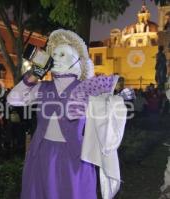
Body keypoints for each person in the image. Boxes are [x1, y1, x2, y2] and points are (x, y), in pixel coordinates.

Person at [7, 29, 131, 199]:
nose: (56, 58)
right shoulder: (43, 88)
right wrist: (35, 73)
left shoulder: (86, 88)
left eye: (63, 54)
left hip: (74, 157)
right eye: (54, 54)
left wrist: (118, 98)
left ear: (77, 61)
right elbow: (13, 99)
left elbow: (111, 100)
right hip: (41, 154)